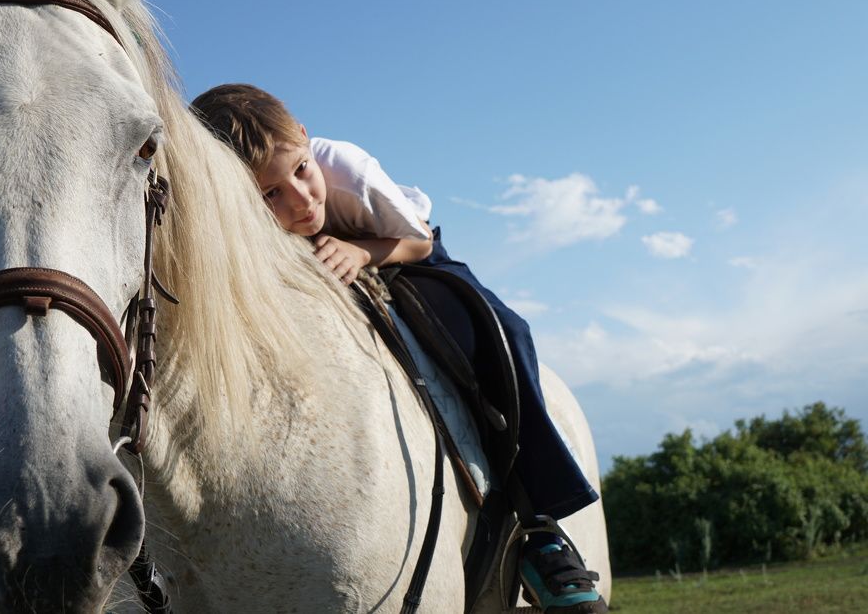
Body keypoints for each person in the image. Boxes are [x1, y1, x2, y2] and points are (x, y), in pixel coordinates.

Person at [191, 84, 607, 614]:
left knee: (499, 330)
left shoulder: (347, 171)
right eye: (269, 194)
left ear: (303, 137)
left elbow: (420, 242)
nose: (301, 200)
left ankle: (542, 524)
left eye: (299, 171)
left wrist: (361, 251)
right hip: (312, 266)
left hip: (402, 252)